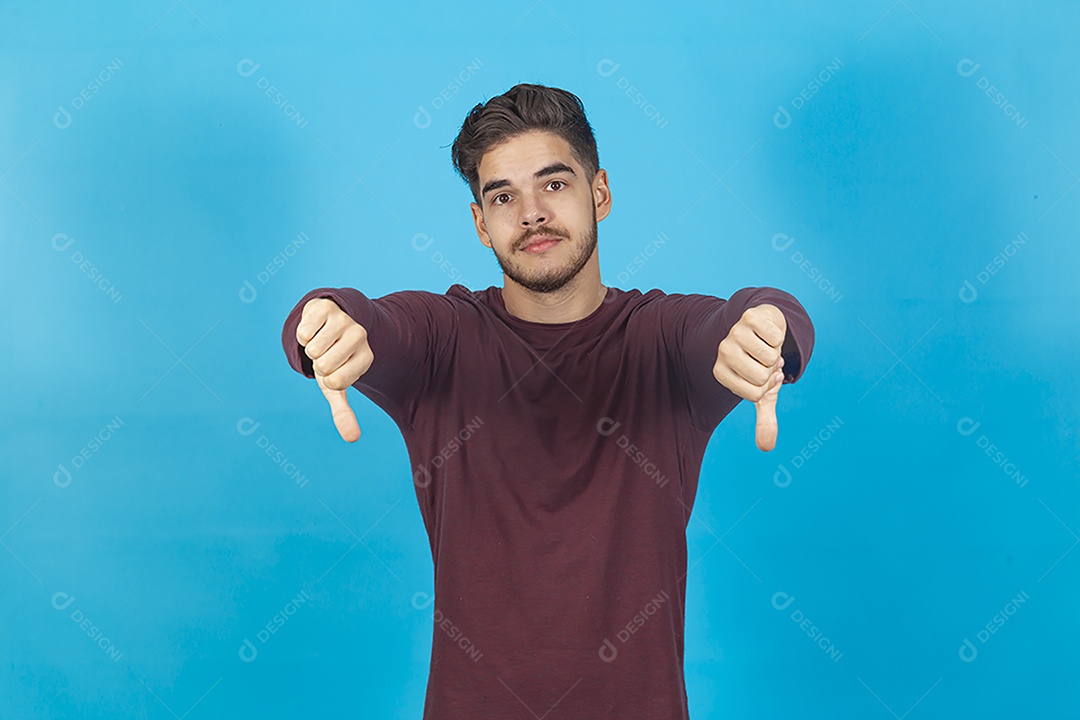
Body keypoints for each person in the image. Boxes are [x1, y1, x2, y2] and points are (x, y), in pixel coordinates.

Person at [281, 83, 815, 719]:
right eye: (503, 196)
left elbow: (748, 317)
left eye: (554, 184)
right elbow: (369, 323)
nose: (530, 213)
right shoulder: (444, 342)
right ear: (481, 223)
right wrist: (321, 325)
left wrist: (769, 330)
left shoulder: (661, 341)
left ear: (601, 193)